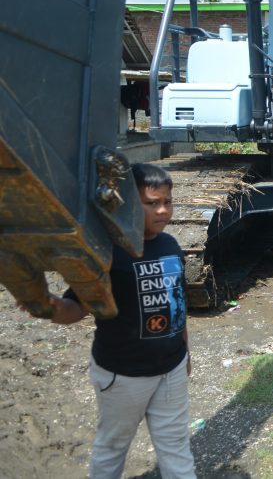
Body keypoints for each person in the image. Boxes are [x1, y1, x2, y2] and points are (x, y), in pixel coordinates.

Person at [21, 163, 195, 479]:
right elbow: (77, 307)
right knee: (112, 448)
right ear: (128, 203)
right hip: (123, 376)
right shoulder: (108, 253)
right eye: (152, 203)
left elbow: (177, 303)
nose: (163, 210)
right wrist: (49, 307)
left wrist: (185, 351)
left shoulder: (170, 245)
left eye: (167, 201)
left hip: (171, 370)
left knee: (176, 446)